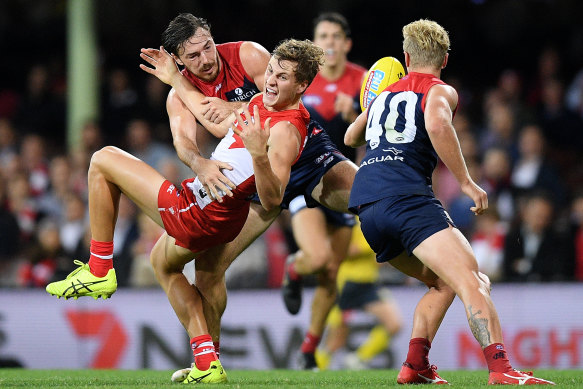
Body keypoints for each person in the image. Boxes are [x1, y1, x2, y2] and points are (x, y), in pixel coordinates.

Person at [46, 38, 324, 384]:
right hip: (218, 212)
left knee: (102, 159)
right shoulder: (260, 103)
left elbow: (272, 199)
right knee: (162, 262)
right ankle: (207, 361)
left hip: (200, 211)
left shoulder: (285, 131)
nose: (270, 80)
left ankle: (99, 267)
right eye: (270, 71)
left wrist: (258, 155)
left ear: (301, 86)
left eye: (282, 77)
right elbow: (221, 126)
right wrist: (186, 85)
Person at [139, 13, 358, 372]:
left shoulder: (249, 56)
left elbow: (283, 103)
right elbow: (185, 145)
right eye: (193, 57)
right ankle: (209, 365)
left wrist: (235, 108)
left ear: (212, 37)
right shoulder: (178, 97)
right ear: (178, 60)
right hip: (258, 179)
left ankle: (442, 267)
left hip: (306, 155)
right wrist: (199, 164)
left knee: (377, 200)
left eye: (207, 47)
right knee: (208, 271)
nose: (207, 59)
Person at [344, 19, 554, 385]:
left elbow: (350, 136)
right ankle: (502, 369)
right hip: (406, 198)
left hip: (367, 206)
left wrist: (372, 104)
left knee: (443, 282)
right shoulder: (440, 90)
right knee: (474, 279)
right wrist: (467, 183)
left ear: (406, 57)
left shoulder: (384, 97)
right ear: (444, 59)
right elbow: (439, 126)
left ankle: (414, 365)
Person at [280, 12, 366, 369]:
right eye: (322, 36)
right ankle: (295, 269)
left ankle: (307, 352)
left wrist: (359, 114)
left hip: (341, 185)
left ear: (346, 43)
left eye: (335, 36)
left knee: (332, 273)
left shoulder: (364, 81)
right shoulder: (302, 81)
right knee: (317, 259)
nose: (328, 42)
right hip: (304, 183)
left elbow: (382, 133)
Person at [314, 218, 402, 371]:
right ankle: (316, 367)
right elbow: (340, 249)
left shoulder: (371, 218)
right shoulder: (348, 219)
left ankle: (357, 359)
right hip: (348, 283)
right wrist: (372, 245)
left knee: (394, 325)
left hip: (368, 282)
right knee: (336, 337)